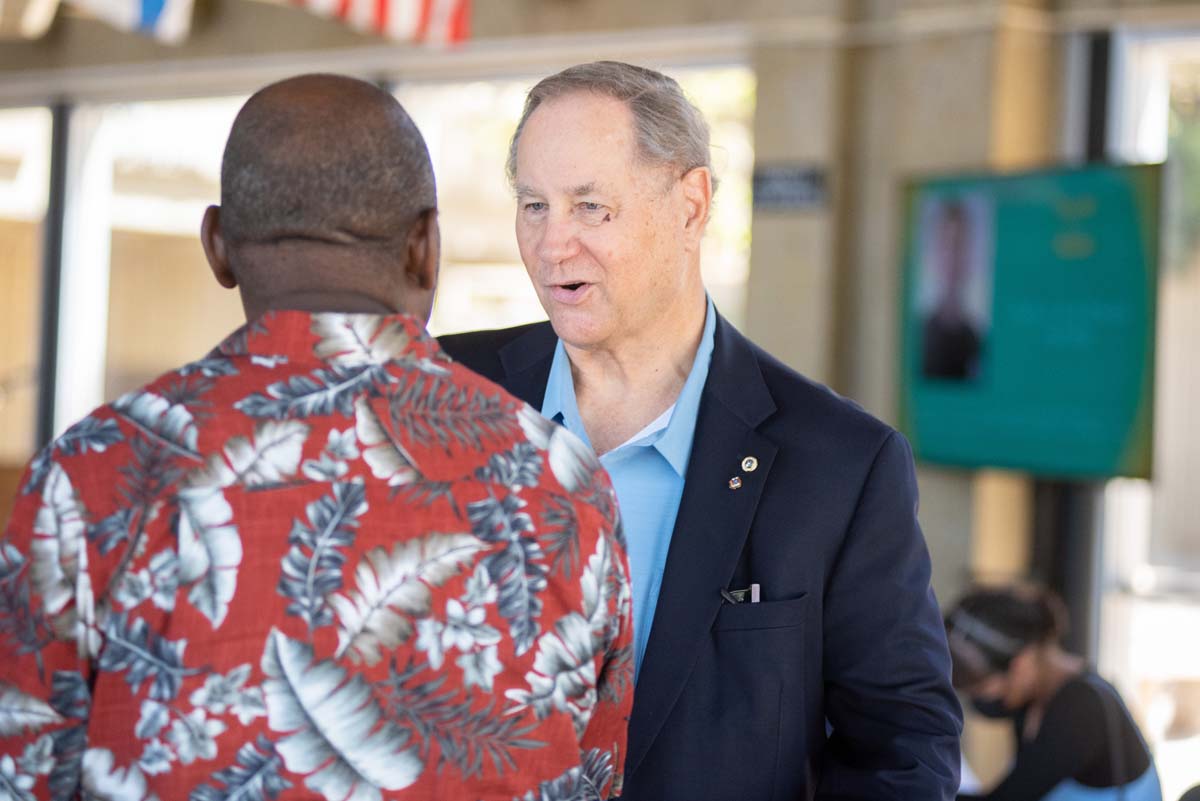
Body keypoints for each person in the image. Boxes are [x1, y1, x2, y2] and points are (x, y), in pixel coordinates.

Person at [0, 74, 633, 801]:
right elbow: (592, 777)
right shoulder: (563, 482)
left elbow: (24, 771)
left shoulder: (92, 475)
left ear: (217, 247)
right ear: (426, 247)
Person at [440, 60, 963, 800]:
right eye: (534, 205)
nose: (552, 245)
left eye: (590, 207)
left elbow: (903, 749)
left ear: (691, 205)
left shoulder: (842, 466)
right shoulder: (441, 392)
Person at [947, 586, 1162, 801]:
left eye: (982, 689)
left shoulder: (1082, 709)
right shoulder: (1032, 697)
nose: (981, 698)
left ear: (1021, 665)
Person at [921, 199, 985, 381]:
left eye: (959, 246)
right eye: (945, 246)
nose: (952, 259)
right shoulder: (918, 333)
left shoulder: (977, 339)